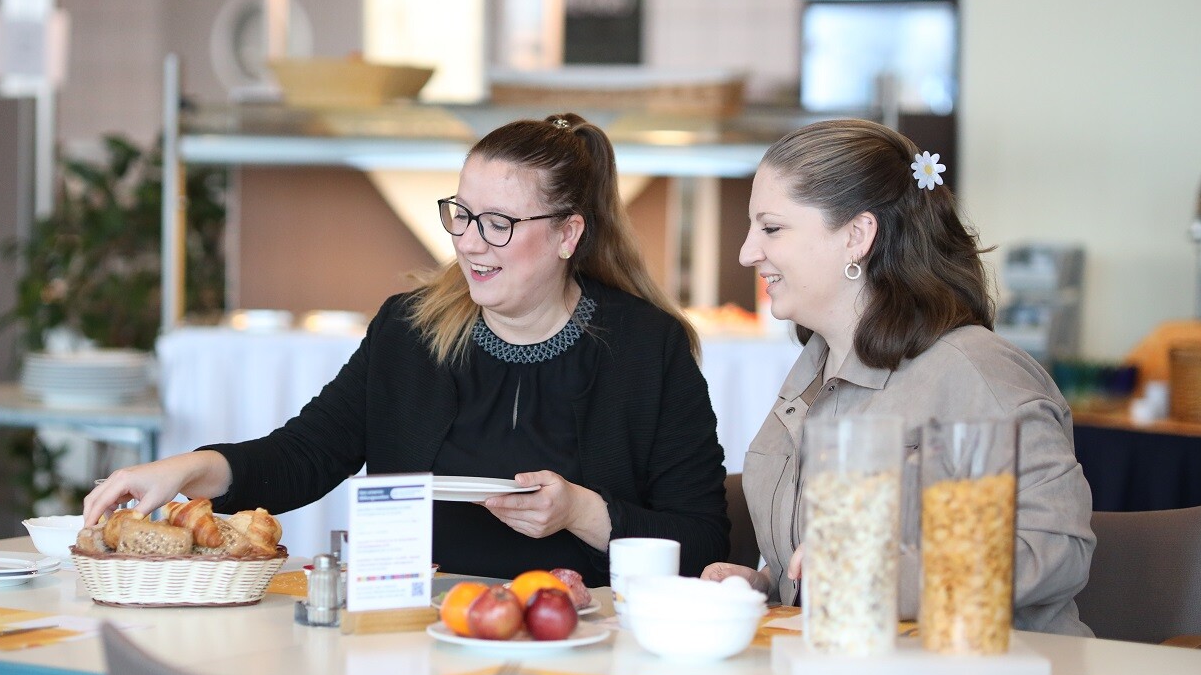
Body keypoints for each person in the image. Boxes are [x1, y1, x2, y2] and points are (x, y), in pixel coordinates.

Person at [84, 114, 729, 585]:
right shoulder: (411, 330)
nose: (470, 244)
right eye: (462, 215)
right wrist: (188, 470)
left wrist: (581, 513)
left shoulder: (647, 350)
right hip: (413, 622)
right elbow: (305, 454)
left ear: (568, 233)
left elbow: (703, 544)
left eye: (499, 224)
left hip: (583, 640)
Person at [700, 119, 1095, 636]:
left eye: (771, 228)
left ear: (857, 236)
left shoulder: (978, 371)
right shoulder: (813, 368)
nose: (747, 252)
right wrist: (765, 586)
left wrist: (874, 577)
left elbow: (1056, 547)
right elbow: (825, 551)